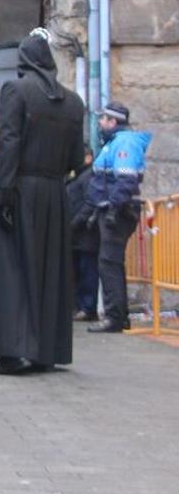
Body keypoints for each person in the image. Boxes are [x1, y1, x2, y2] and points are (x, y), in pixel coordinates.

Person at [0, 31, 86, 374]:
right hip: (55, 192)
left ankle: (15, 352)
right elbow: (75, 158)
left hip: (21, 188)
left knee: (13, 268)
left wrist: (5, 191)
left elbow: (10, 144)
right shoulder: (73, 102)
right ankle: (46, 351)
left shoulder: (17, 91)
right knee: (50, 271)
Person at [79, 103, 153, 333]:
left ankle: (114, 318)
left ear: (113, 121)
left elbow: (126, 181)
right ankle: (119, 316)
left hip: (118, 212)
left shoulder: (124, 143)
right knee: (110, 263)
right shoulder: (114, 143)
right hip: (111, 210)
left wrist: (112, 209)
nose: (100, 123)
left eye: (103, 119)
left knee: (109, 264)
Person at [67, 146, 97, 322]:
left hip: (85, 233)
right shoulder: (75, 177)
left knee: (87, 272)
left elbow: (89, 203)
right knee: (78, 272)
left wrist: (74, 224)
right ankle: (80, 306)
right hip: (76, 235)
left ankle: (87, 307)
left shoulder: (89, 176)